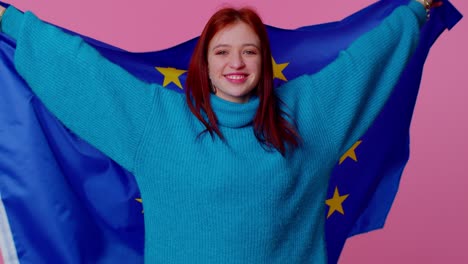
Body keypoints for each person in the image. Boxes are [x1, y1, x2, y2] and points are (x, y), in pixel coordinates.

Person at [0, 0, 432, 263]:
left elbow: (366, 61)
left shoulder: (307, 114)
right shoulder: (158, 121)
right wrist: (9, 21)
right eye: (222, 51)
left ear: (264, 61)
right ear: (204, 64)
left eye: (249, 51)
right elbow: (84, 72)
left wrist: (417, 9)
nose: (236, 63)